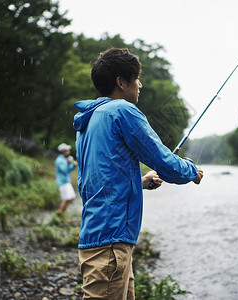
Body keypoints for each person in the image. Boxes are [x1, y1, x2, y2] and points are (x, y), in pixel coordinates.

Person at [73, 48, 203, 300]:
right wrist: (191, 170)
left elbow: (93, 179)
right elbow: (165, 162)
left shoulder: (88, 121)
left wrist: (139, 181)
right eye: (136, 78)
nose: (140, 84)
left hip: (100, 238)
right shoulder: (122, 111)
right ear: (121, 82)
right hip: (111, 243)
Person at [55, 143, 78, 216]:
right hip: (63, 182)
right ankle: (59, 213)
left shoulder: (64, 159)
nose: (69, 152)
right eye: (67, 150)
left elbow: (69, 169)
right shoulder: (59, 160)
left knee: (68, 198)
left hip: (66, 181)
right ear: (64, 151)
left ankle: (61, 214)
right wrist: (68, 163)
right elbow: (64, 170)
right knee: (69, 198)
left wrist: (73, 165)